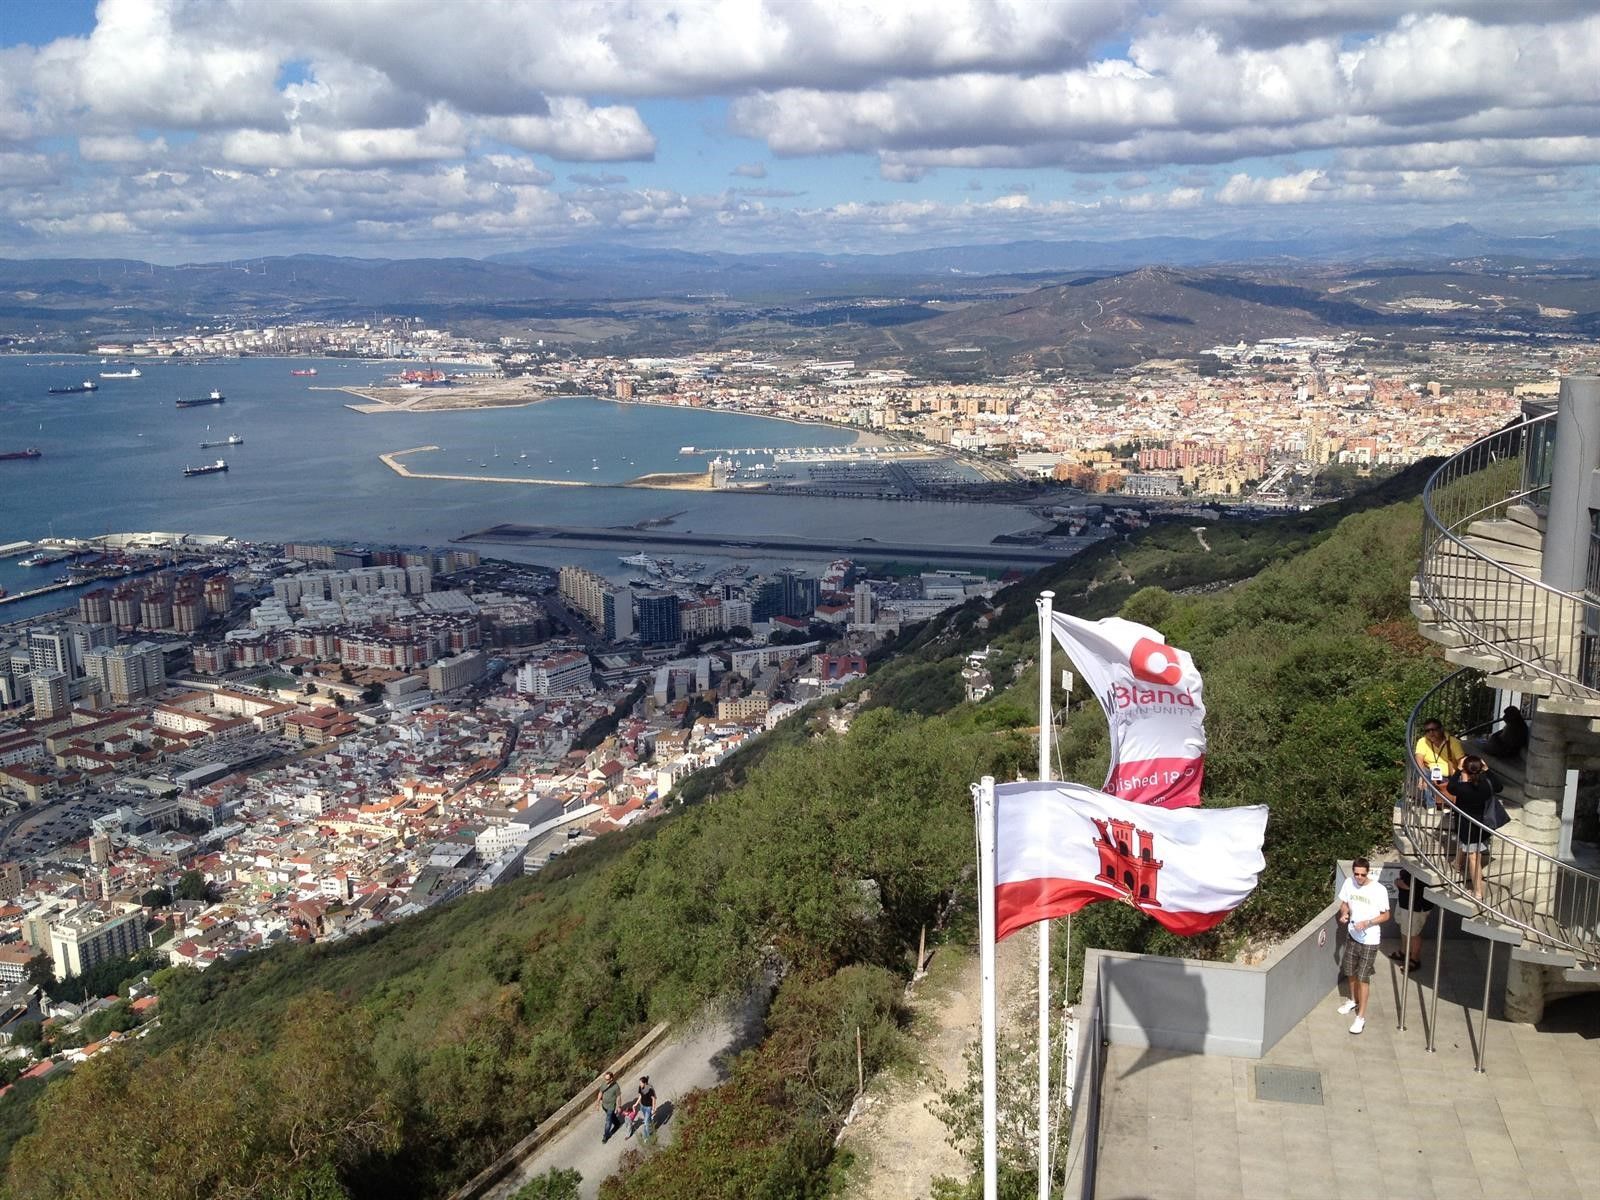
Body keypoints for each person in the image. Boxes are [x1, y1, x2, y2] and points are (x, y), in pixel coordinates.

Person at [1337, 857, 1389, 1035]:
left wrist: (1368, 922)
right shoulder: (1349, 883)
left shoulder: (1379, 890)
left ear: (1368, 873)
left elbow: (1386, 915)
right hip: (1352, 935)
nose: (1359, 877)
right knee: (1350, 971)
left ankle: (1361, 1017)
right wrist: (1344, 914)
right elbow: (1344, 904)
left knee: (1363, 978)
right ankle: (1353, 1000)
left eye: (1362, 875)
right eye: (1356, 874)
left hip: (1370, 940)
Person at [1449, 756, 1495, 900]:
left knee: (1474, 857)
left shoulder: (1462, 788)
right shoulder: (1486, 786)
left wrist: (1458, 770)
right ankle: (1457, 864)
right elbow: (1499, 786)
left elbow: (1450, 787)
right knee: (1468, 848)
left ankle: (1478, 892)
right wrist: (1487, 770)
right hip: (1482, 825)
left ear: (1466, 770)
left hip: (1467, 826)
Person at [1388, 868, 1432, 971]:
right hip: (1405, 902)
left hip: (1416, 905)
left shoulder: (1423, 866)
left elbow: (1409, 885)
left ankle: (1415, 959)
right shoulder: (1413, 863)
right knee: (1404, 927)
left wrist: (1397, 882)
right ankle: (1404, 952)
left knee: (1413, 933)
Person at [1413, 719, 1464, 808]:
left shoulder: (1453, 742)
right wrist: (1422, 776)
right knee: (1422, 771)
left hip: (1450, 776)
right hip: (1431, 774)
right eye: (1427, 731)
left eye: (1434, 729)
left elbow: (1462, 761)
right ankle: (1431, 805)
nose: (1431, 733)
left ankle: (1457, 806)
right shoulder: (1423, 741)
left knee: (1461, 778)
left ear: (1441, 729)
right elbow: (1419, 758)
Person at [598, 1070, 623, 1143]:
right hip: (604, 1105)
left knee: (608, 1121)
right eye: (605, 1079)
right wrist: (597, 1102)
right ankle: (617, 1123)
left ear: (611, 1078)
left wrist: (619, 1106)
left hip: (611, 1107)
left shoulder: (616, 1087)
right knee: (612, 1116)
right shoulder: (604, 1084)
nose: (606, 1081)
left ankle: (605, 1136)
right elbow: (600, 1092)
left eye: (607, 1079)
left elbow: (618, 1097)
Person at [630, 1075, 657, 1141]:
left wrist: (653, 1109)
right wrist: (636, 1104)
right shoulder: (640, 1087)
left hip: (648, 1108)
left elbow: (653, 1099)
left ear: (645, 1083)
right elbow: (640, 1096)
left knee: (646, 1123)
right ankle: (651, 1123)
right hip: (643, 1106)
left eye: (641, 1083)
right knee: (648, 1120)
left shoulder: (649, 1089)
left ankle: (647, 1137)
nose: (640, 1084)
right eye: (640, 1083)